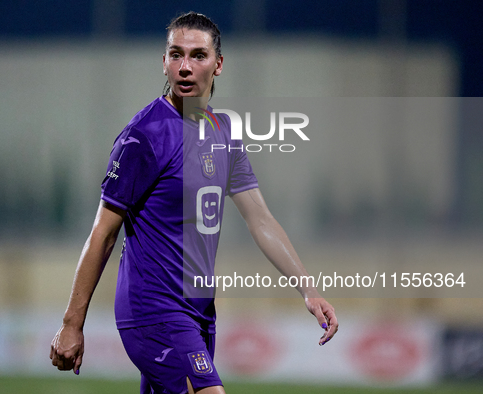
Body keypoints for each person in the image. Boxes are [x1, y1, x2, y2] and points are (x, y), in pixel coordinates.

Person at [50, 11, 338, 394]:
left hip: (199, 314)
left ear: (218, 64)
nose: (185, 67)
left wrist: (308, 290)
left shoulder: (223, 133)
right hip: (153, 309)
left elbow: (260, 219)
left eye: (198, 55)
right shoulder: (144, 136)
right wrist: (73, 323)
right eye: (175, 54)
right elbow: (103, 233)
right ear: (164, 60)